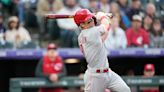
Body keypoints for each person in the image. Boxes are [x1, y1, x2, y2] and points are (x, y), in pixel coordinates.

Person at [73, 9, 130, 92]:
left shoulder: (87, 35)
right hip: (95, 76)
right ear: (82, 25)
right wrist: (102, 16)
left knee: (125, 90)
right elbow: (105, 25)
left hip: (107, 72)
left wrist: (104, 19)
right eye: (88, 22)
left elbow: (105, 32)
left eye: (91, 20)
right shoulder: (90, 33)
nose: (92, 23)